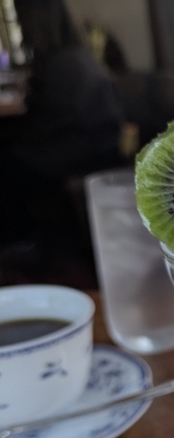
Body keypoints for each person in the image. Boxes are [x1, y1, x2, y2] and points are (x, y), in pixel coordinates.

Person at [0, 0, 124, 282]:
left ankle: (20, 242)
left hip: (85, 149)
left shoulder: (62, 63)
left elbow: (47, 123)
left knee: (8, 163)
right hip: (93, 143)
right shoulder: (73, 55)